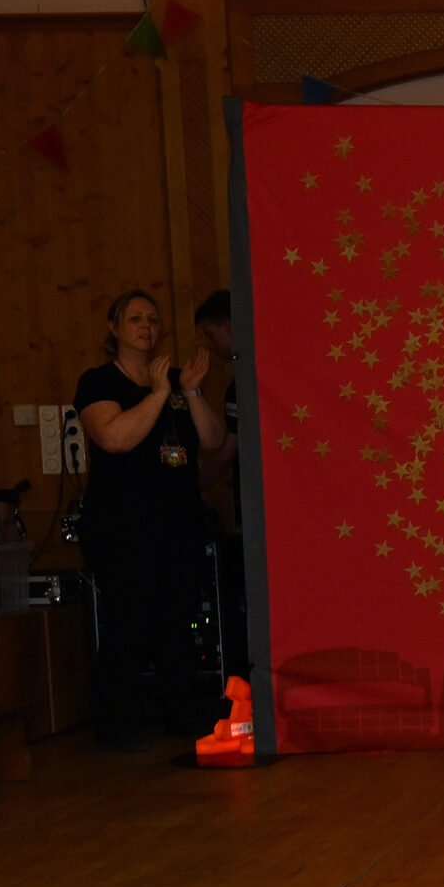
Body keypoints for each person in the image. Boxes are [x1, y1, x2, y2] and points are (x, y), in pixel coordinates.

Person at [73, 289, 223, 749]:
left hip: (178, 523)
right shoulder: (99, 381)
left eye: (153, 319)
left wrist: (189, 391)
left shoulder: (176, 380)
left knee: (179, 619)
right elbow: (114, 437)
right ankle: (117, 723)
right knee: (129, 620)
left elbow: (212, 440)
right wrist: (159, 394)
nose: (146, 326)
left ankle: (184, 714)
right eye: (136, 318)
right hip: (123, 527)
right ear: (114, 328)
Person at [191, 289, 250, 677]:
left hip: (260, 516)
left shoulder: (244, 383)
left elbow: (227, 451)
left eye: (212, 337)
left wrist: (190, 486)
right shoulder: (242, 383)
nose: (211, 348)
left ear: (228, 326)